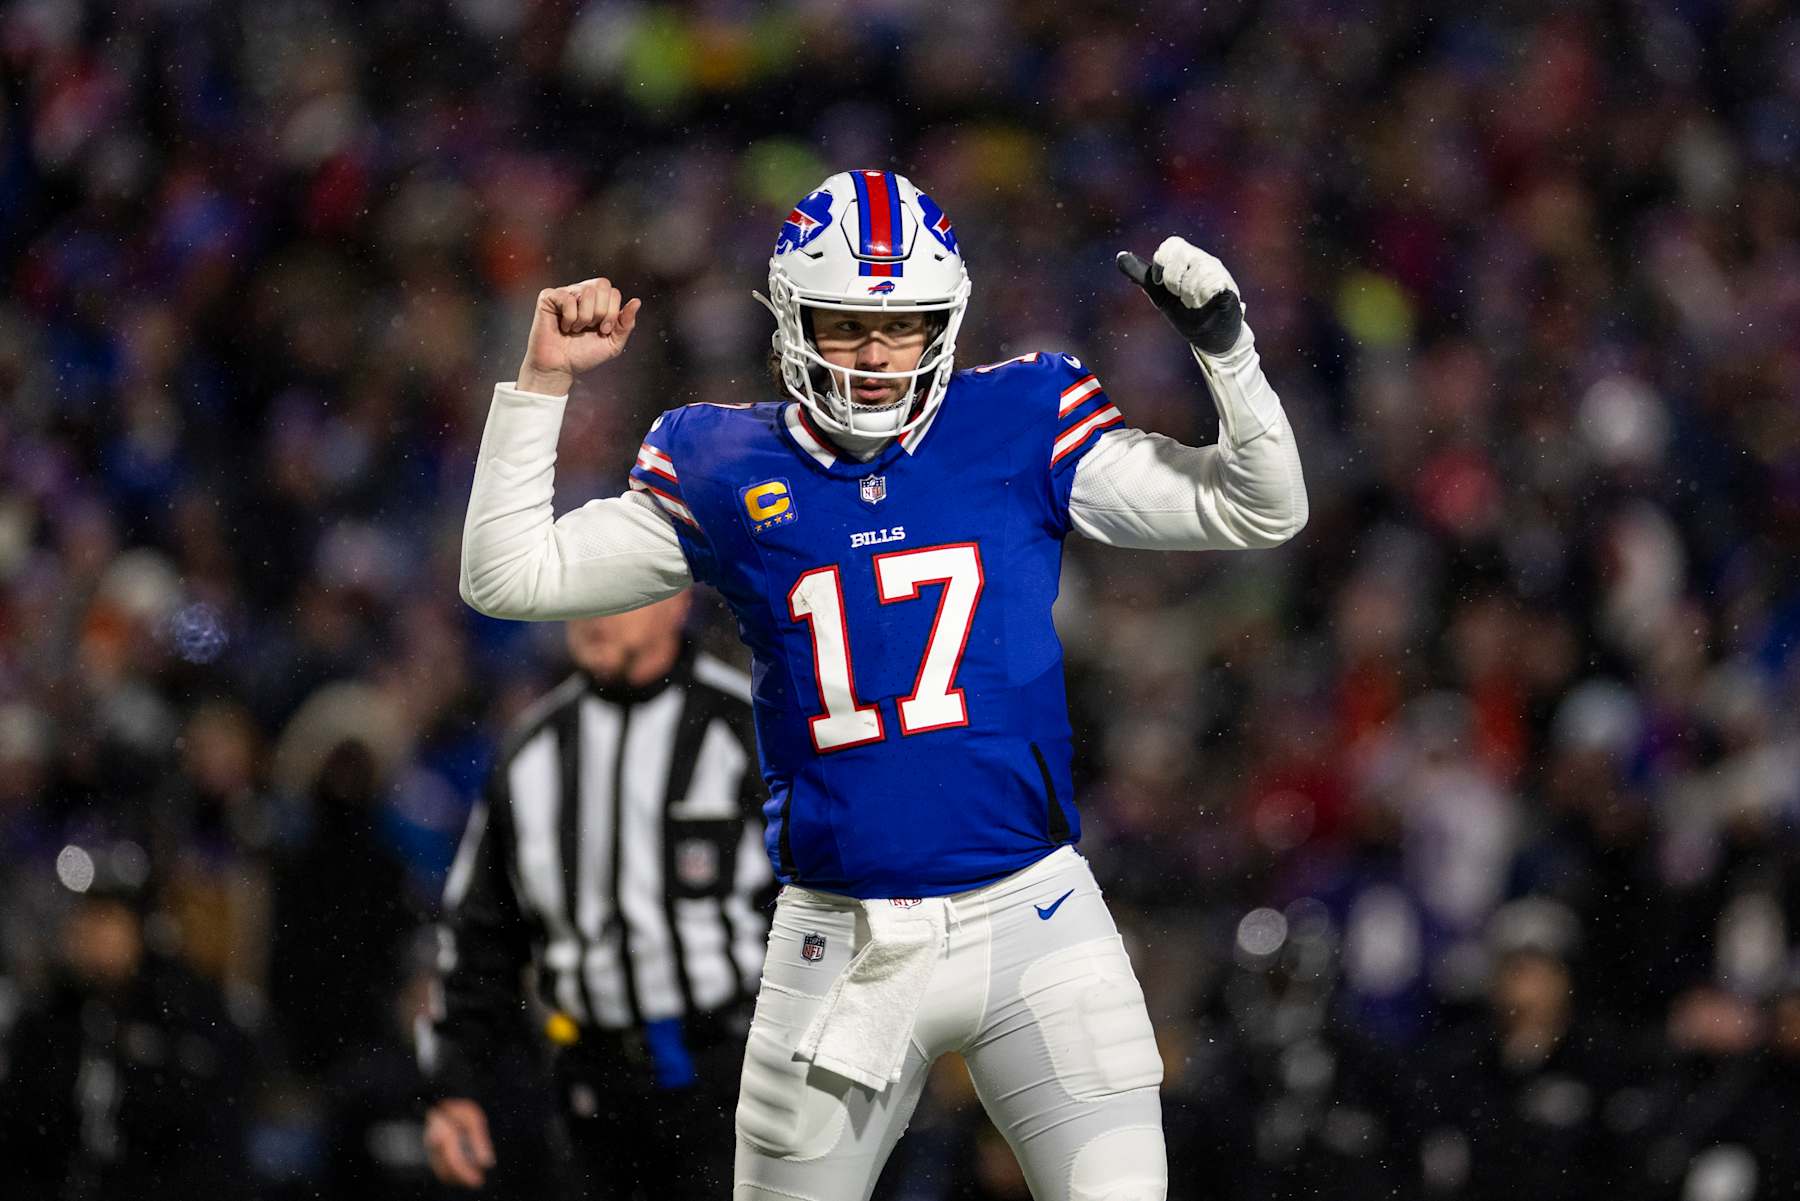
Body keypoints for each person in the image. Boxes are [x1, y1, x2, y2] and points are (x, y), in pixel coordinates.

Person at [458, 169, 1308, 1200]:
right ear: (791, 320)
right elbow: (509, 577)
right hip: (839, 939)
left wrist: (1227, 351)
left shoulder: (1019, 418)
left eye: (900, 325)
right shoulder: (726, 461)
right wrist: (542, 383)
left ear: (941, 323)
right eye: (845, 323)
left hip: (1034, 915)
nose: (872, 354)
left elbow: (1261, 508)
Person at [421, 591, 771, 1199]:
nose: (593, 610)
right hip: (587, 1091)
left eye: (616, 589)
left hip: (733, 1082)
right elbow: (479, 932)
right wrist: (456, 1085)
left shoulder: (748, 729)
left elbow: (818, 907)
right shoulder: (530, 748)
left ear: (676, 600)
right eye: (583, 588)